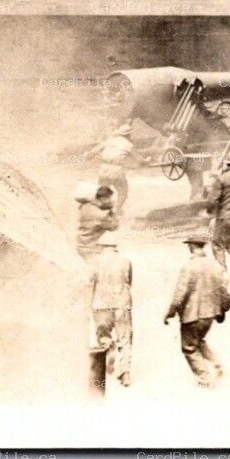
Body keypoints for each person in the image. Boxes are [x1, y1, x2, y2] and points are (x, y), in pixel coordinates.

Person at [164, 233, 230, 387]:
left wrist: (171, 312)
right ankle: (216, 363)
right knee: (199, 340)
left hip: (192, 314)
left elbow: (180, 293)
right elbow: (224, 291)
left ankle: (204, 379)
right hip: (211, 314)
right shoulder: (216, 265)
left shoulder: (189, 267)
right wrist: (222, 310)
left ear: (192, 246)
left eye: (189, 245)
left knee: (189, 348)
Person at [87, 232, 133, 389]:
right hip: (122, 305)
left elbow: (89, 281)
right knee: (125, 339)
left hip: (101, 306)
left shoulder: (95, 261)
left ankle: (109, 351)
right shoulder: (126, 261)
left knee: (103, 335)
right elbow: (129, 282)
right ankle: (125, 373)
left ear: (101, 246)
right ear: (115, 246)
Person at [89, 121, 136, 219]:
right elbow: (140, 160)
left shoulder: (109, 140)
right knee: (123, 191)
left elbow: (93, 152)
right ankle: (118, 210)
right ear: (128, 135)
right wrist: (147, 161)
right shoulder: (128, 144)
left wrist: (88, 155)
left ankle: (101, 213)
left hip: (104, 169)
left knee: (103, 192)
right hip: (116, 171)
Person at [76, 182, 120, 260]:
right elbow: (114, 227)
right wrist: (111, 210)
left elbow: (81, 199)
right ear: (103, 199)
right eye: (109, 198)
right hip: (92, 250)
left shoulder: (85, 206)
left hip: (80, 244)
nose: (111, 200)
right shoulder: (102, 216)